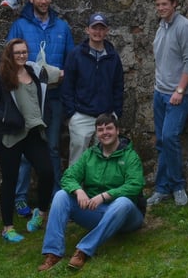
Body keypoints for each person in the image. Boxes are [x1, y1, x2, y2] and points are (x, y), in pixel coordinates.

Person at [0, 38, 63, 242]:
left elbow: (57, 75)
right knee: (10, 180)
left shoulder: (33, 72)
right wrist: (5, 116)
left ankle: (41, 213)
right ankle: (8, 228)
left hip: (33, 133)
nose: (22, 56)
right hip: (9, 136)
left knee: (47, 171)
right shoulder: (0, 78)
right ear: (10, 54)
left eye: (24, 52)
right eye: (17, 53)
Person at [37, 113, 145, 271]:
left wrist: (105, 196)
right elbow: (68, 176)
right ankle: (54, 253)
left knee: (123, 202)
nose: (105, 132)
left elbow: (135, 185)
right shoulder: (90, 155)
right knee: (61, 195)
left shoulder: (130, 156)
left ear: (117, 131)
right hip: (97, 212)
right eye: (100, 130)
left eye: (109, 128)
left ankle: (83, 251)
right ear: (96, 133)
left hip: (127, 217)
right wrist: (78, 190)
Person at [6, 0, 75, 217]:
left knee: (53, 147)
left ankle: (57, 195)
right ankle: (20, 197)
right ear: (31, 0)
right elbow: (8, 58)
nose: (43, 1)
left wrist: (62, 75)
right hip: (27, 97)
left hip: (54, 96)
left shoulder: (62, 28)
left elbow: (70, 61)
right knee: (25, 150)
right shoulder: (20, 26)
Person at [147, 0, 188, 207]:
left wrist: (179, 90)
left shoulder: (184, 27)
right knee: (161, 142)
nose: (161, 8)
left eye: (164, 4)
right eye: (158, 5)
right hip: (160, 93)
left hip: (178, 94)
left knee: (170, 137)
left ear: (174, 4)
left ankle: (178, 186)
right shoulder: (161, 27)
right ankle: (162, 189)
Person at [61, 12, 124, 168]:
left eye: (101, 28)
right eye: (94, 28)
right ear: (87, 30)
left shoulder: (113, 56)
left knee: (104, 159)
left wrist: (116, 113)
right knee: (77, 160)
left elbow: (118, 86)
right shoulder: (75, 55)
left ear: (107, 31)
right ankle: (75, 191)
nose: (98, 32)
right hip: (81, 115)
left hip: (106, 115)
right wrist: (71, 115)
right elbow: (67, 86)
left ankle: (100, 191)